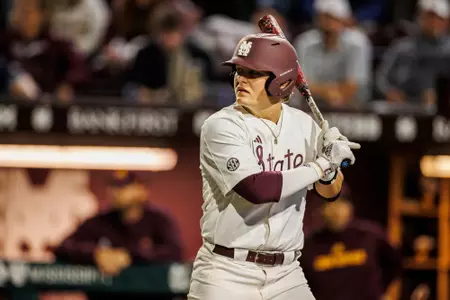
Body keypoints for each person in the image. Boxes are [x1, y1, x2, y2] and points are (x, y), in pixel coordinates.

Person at [187, 33, 361, 300]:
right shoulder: (221, 125)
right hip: (226, 271)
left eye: (252, 73)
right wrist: (323, 162)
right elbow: (257, 189)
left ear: (282, 81)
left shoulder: (304, 125)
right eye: (238, 70)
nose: (240, 78)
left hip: (286, 273)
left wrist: (331, 167)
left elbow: (331, 192)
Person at [54, 171, 183, 299]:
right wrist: (96, 254)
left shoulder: (159, 220)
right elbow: (63, 247)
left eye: (123, 186)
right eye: (113, 186)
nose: (115, 192)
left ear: (142, 190)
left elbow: (175, 251)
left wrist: (129, 256)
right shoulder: (100, 221)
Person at [300, 186, 402, 300]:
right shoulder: (308, 246)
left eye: (341, 203)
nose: (336, 210)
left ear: (350, 206)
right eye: (330, 204)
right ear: (320, 210)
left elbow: (395, 263)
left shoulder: (370, 235)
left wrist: (382, 292)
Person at [293, 0, 372, 107]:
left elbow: (354, 86)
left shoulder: (358, 43)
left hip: (351, 109)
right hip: (311, 107)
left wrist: (322, 90)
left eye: (333, 19)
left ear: (344, 21)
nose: (328, 25)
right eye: (323, 18)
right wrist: (329, 93)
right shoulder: (304, 43)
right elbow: (301, 85)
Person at [376, 0, 450, 107]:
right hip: (402, 107)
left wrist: (442, 97)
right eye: (429, 17)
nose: (433, 22)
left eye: (438, 18)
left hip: (442, 110)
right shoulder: (402, 47)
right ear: (419, 18)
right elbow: (380, 78)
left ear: (446, 21)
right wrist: (390, 93)